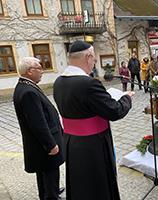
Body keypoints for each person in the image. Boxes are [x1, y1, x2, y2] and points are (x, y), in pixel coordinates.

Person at [53, 41, 134, 200]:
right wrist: (126, 99)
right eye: (94, 59)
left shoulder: (59, 82)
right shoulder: (89, 84)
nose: (94, 63)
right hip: (92, 145)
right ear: (88, 57)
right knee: (97, 184)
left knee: (79, 182)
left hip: (71, 142)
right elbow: (115, 111)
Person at [13, 57, 64, 200]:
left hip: (39, 144)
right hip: (44, 145)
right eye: (39, 68)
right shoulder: (28, 91)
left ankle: (48, 193)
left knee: (44, 173)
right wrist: (51, 145)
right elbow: (38, 123)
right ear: (29, 71)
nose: (42, 71)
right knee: (50, 172)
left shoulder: (26, 86)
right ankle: (51, 196)